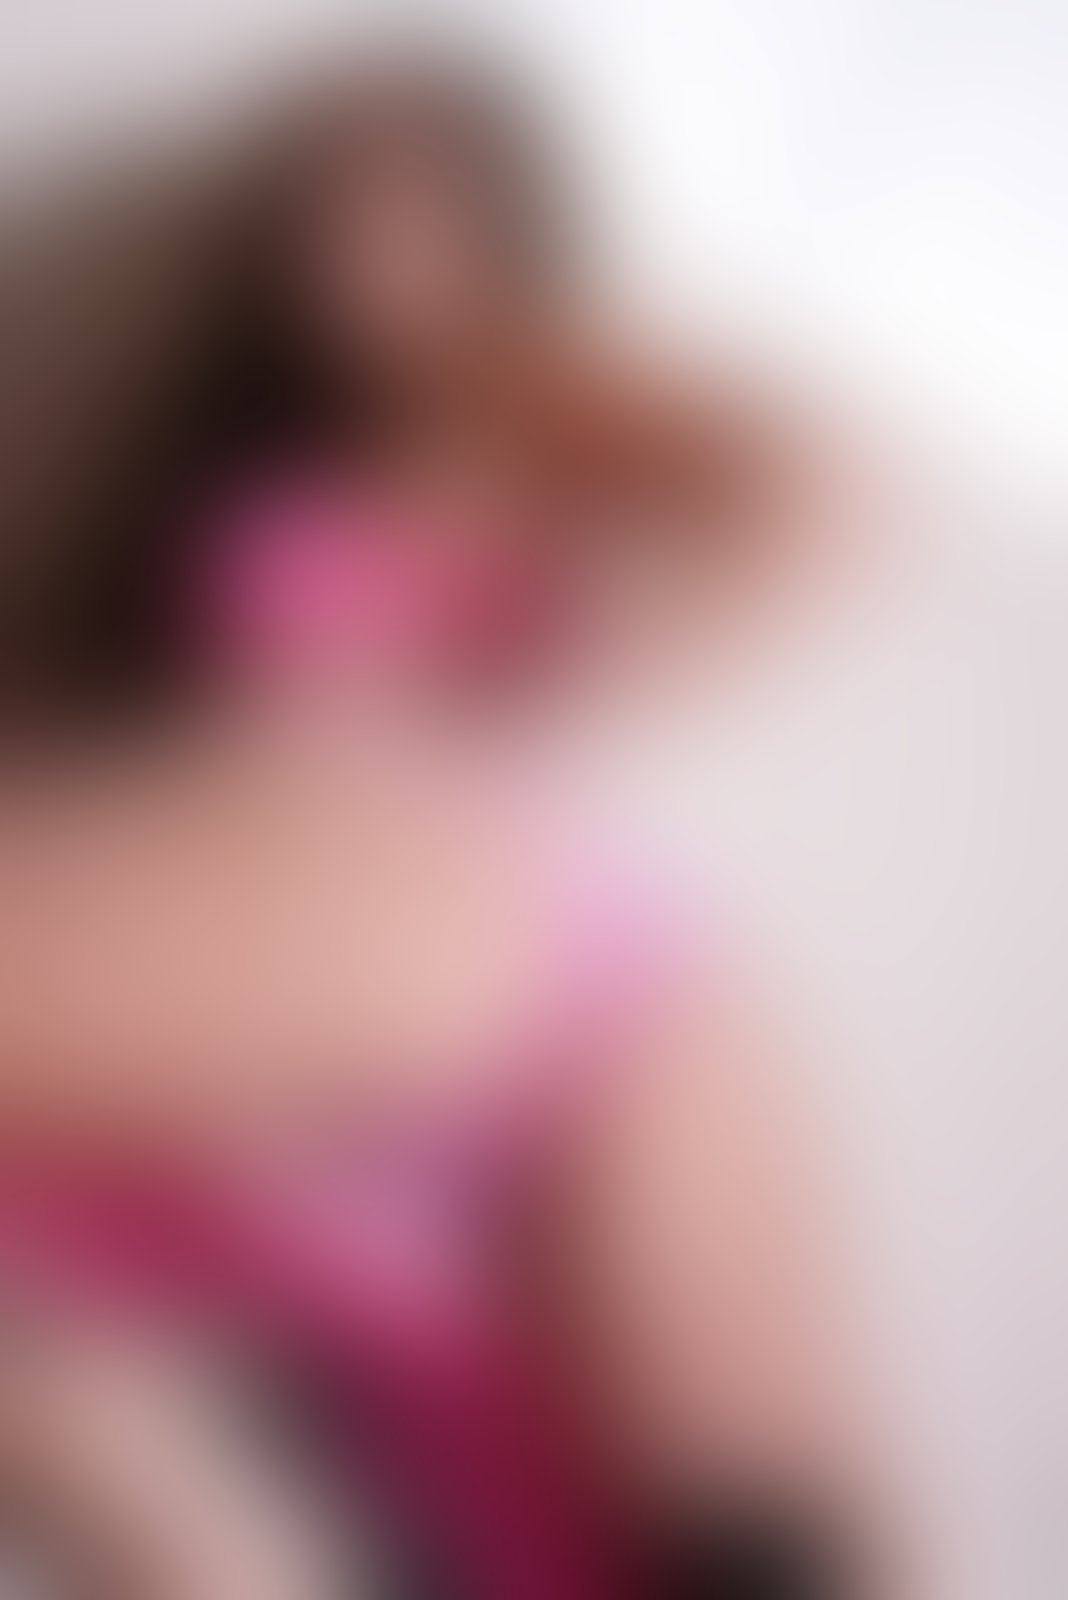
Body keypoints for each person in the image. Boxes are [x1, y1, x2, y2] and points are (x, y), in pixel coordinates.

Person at [0, 56, 882, 1598]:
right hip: (265, 979)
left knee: (714, 1502)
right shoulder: (231, 450)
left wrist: (603, 647)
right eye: (345, 209)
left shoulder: (505, 419)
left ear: (497, 238)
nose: (375, 257)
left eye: (426, 215)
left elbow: (796, 495)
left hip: (440, 927)